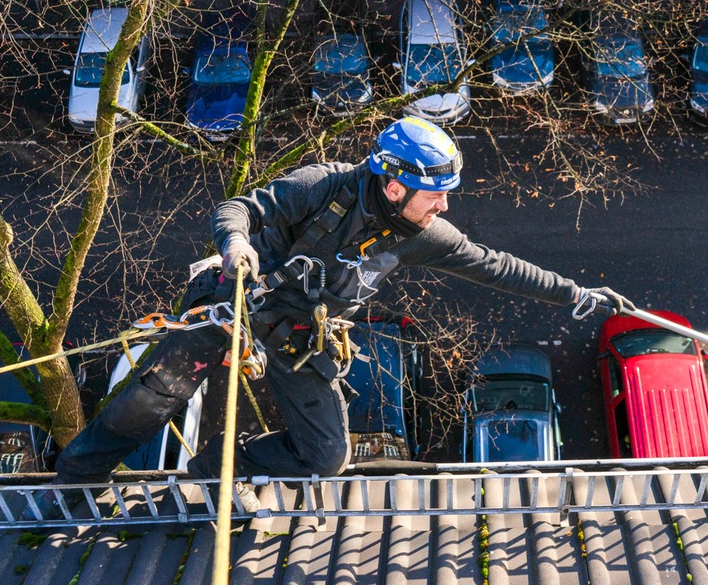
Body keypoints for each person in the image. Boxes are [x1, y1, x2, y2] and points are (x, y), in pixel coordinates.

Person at [49, 116, 632, 497]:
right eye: (437, 195)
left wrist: (577, 295)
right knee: (154, 397)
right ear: (396, 186)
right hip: (234, 305)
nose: (444, 208)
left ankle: (213, 472)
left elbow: (496, 265)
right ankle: (78, 481)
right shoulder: (324, 186)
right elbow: (238, 210)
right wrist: (237, 246)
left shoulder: (420, 234)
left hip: (299, 335)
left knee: (326, 455)